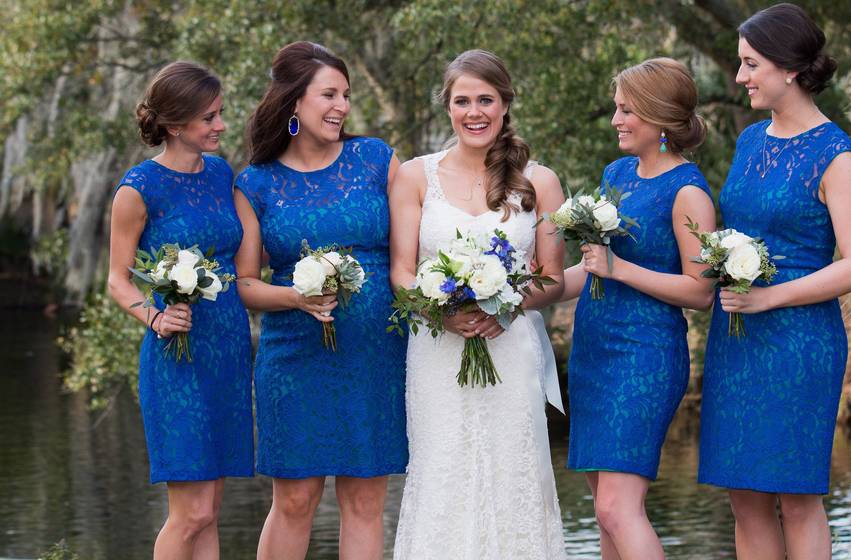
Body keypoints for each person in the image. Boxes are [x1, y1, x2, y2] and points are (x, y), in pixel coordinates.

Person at [698, 3, 851, 559]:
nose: (740, 77)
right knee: (744, 495)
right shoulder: (750, 141)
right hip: (735, 335)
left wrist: (772, 295)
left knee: (796, 496)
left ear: (790, 70)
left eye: (751, 64)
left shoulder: (836, 156)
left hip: (800, 340)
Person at [389, 49, 568, 559]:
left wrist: (505, 307)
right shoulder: (416, 177)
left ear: (505, 105)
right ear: (447, 107)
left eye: (486, 100)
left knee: (515, 471)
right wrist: (439, 311)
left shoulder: (542, 180)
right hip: (435, 351)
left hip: (509, 348)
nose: (475, 112)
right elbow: (401, 272)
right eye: (462, 100)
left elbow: (551, 277)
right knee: (443, 472)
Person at [232, 41, 406, 560]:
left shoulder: (376, 159)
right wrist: (294, 296)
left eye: (347, 95)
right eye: (329, 94)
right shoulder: (255, 183)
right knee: (295, 498)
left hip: (375, 352)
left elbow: (414, 252)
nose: (342, 107)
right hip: (294, 355)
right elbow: (245, 284)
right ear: (293, 102)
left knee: (365, 497)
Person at [558, 58, 716, 559]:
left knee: (616, 510)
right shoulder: (618, 173)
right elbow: (594, 267)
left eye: (628, 110)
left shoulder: (688, 192)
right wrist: (523, 293)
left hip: (644, 354)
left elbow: (701, 291)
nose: (616, 120)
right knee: (604, 516)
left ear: (660, 117)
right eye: (617, 108)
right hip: (594, 350)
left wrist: (619, 269)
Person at [107, 61, 254, 560]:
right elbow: (116, 279)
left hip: (228, 349)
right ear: (174, 125)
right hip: (177, 356)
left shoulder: (219, 174)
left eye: (220, 114)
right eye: (208, 118)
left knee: (210, 511)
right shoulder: (138, 188)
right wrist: (154, 316)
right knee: (188, 513)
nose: (220, 125)